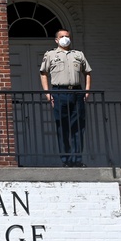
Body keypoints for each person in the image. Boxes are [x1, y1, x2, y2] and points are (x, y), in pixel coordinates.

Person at [39, 29, 92, 167]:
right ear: (56, 40)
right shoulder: (50, 55)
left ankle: (76, 159)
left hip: (76, 92)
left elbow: (87, 72)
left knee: (78, 126)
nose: (65, 39)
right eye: (62, 37)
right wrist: (47, 93)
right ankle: (66, 159)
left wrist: (87, 90)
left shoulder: (78, 54)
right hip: (59, 91)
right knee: (62, 127)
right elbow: (43, 73)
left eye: (67, 36)